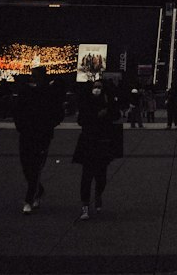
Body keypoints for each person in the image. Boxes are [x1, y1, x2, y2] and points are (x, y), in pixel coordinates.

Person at [13, 69, 62, 214]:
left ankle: (29, 198)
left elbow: (58, 113)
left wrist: (48, 125)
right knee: (27, 166)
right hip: (27, 133)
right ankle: (37, 190)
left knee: (35, 167)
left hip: (41, 134)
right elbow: (18, 111)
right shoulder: (26, 92)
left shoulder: (48, 93)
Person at [73, 83, 123, 219]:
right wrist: (96, 115)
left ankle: (98, 194)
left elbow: (116, 116)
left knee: (101, 176)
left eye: (100, 87)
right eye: (95, 87)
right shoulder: (87, 103)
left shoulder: (108, 103)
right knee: (87, 176)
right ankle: (85, 205)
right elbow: (81, 120)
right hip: (89, 142)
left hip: (103, 142)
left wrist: (109, 105)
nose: (97, 89)